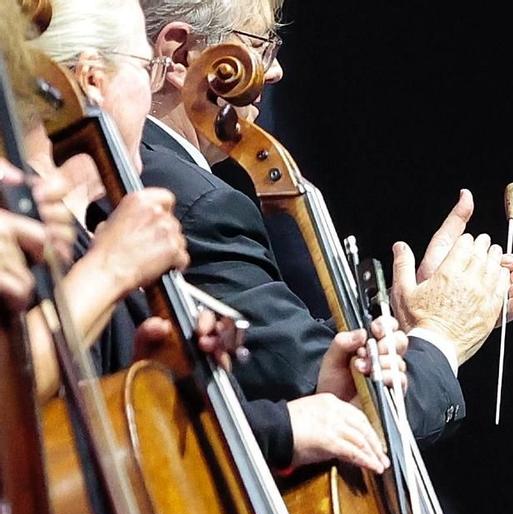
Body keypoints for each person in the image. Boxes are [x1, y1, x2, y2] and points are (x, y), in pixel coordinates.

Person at [138, 0, 513, 444]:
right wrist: (441, 336)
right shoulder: (192, 202)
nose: (276, 70)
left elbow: (280, 355)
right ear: (182, 56)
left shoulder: (140, 176)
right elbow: (340, 400)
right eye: (261, 48)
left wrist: (410, 322)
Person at [20, 0, 397, 473]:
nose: (152, 85)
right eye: (145, 66)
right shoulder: (48, 239)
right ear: (92, 81)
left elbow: (104, 418)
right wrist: (277, 427)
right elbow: (17, 393)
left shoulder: (84, 238)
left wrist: (161, 371)